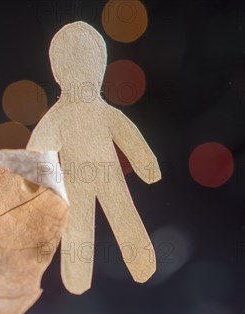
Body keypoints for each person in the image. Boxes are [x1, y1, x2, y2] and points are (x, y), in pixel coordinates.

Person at [27, 21, 161, 294]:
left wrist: (31, 182)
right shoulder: (65, 115)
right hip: (83, 179)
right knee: (86, 224)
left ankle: (127, 268)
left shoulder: (71, 115)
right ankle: (82, 278)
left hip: (100, 176)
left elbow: (38, 149)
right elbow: (39, 150)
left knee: (111, 217)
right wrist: (148, 169)